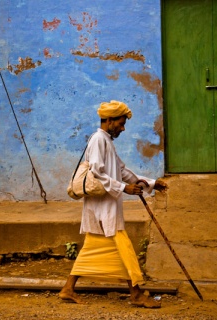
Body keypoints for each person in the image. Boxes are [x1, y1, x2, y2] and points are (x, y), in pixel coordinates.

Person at [59, 100, 167, 308]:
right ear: (109, 120)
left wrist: (151, 183)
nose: (123, 128)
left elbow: (122, 171)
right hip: (103, 209)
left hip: (104, 207)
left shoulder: (106, 140)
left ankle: (68, 288)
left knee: (93, 249)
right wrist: (123, 188)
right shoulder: (99, 140)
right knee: (125, 248)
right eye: (121, 123)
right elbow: (98, 173)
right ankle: (135, 294)